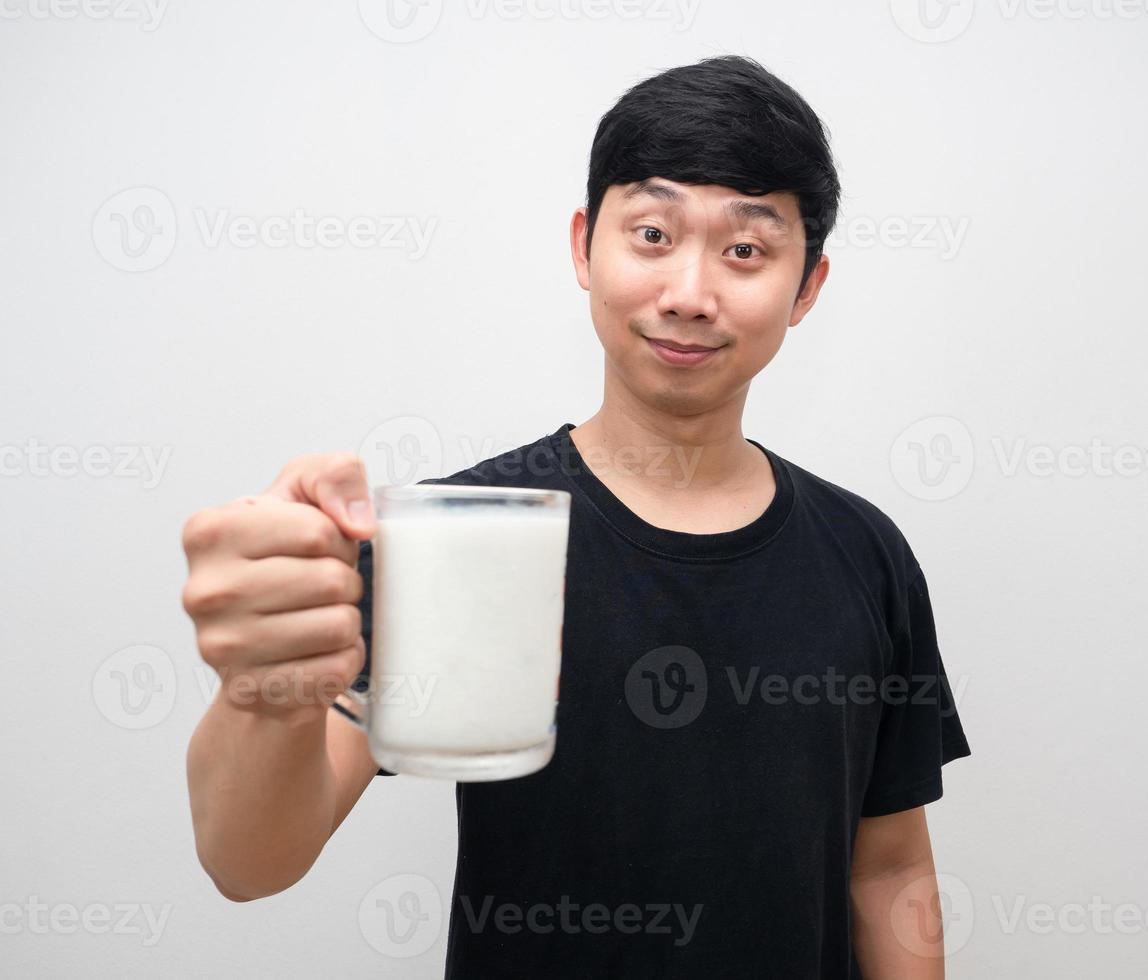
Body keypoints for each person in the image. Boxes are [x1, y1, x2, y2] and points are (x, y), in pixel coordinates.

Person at [182, 54, 971, 978]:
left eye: (745, 249)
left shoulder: (864, 553)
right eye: (650, 232)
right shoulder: (465, 536)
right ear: (582, 246)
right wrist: (265, 686)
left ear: (807, 288)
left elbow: (889, 871)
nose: (688, 292)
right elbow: (248, 863)